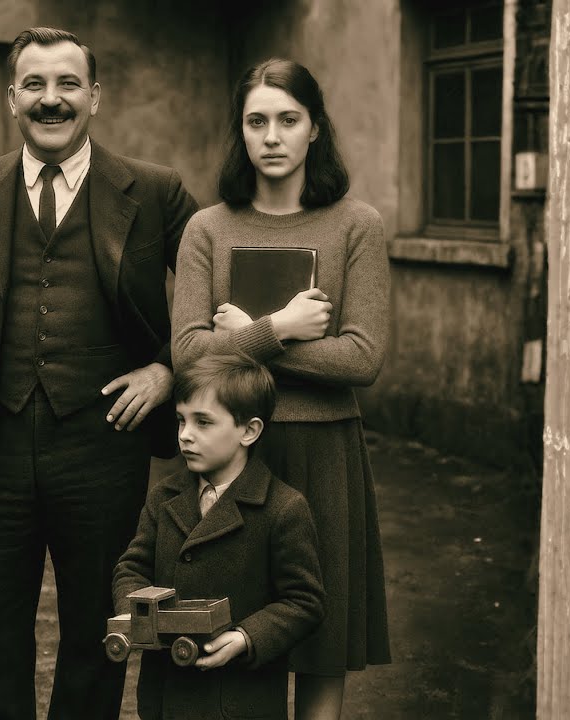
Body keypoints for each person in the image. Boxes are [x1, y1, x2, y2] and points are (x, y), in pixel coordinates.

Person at [0, 26, 199, 720]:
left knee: (97, 630)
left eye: (68, 85)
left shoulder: (156, 191)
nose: (52, 100)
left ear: (96, 96)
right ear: (11, 97)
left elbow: (215, 298)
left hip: (104, 448)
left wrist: (166, 372)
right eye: (35, 85)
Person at [171, 57, 393, 720]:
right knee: (235, 640)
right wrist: (282, 328)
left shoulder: (358, 225)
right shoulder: (208, 228)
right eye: (256, 121)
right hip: (231, 458)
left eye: (287, 120)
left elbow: (362, 359)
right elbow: (187, 355)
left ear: (314, 130)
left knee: (320, 640)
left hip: (325, 455)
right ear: (240, 132)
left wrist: (253, 336)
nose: (271, 136)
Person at [113, 351, 325, 720]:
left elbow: (303, 602)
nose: (185, 436)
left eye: (203, 422)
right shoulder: (164, 497)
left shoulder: (283, 508)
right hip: (165, 696)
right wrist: (135, 614)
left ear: (249, 431)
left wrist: (246, 637)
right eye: (180, 421)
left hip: (239, 700)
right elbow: (131, 567)